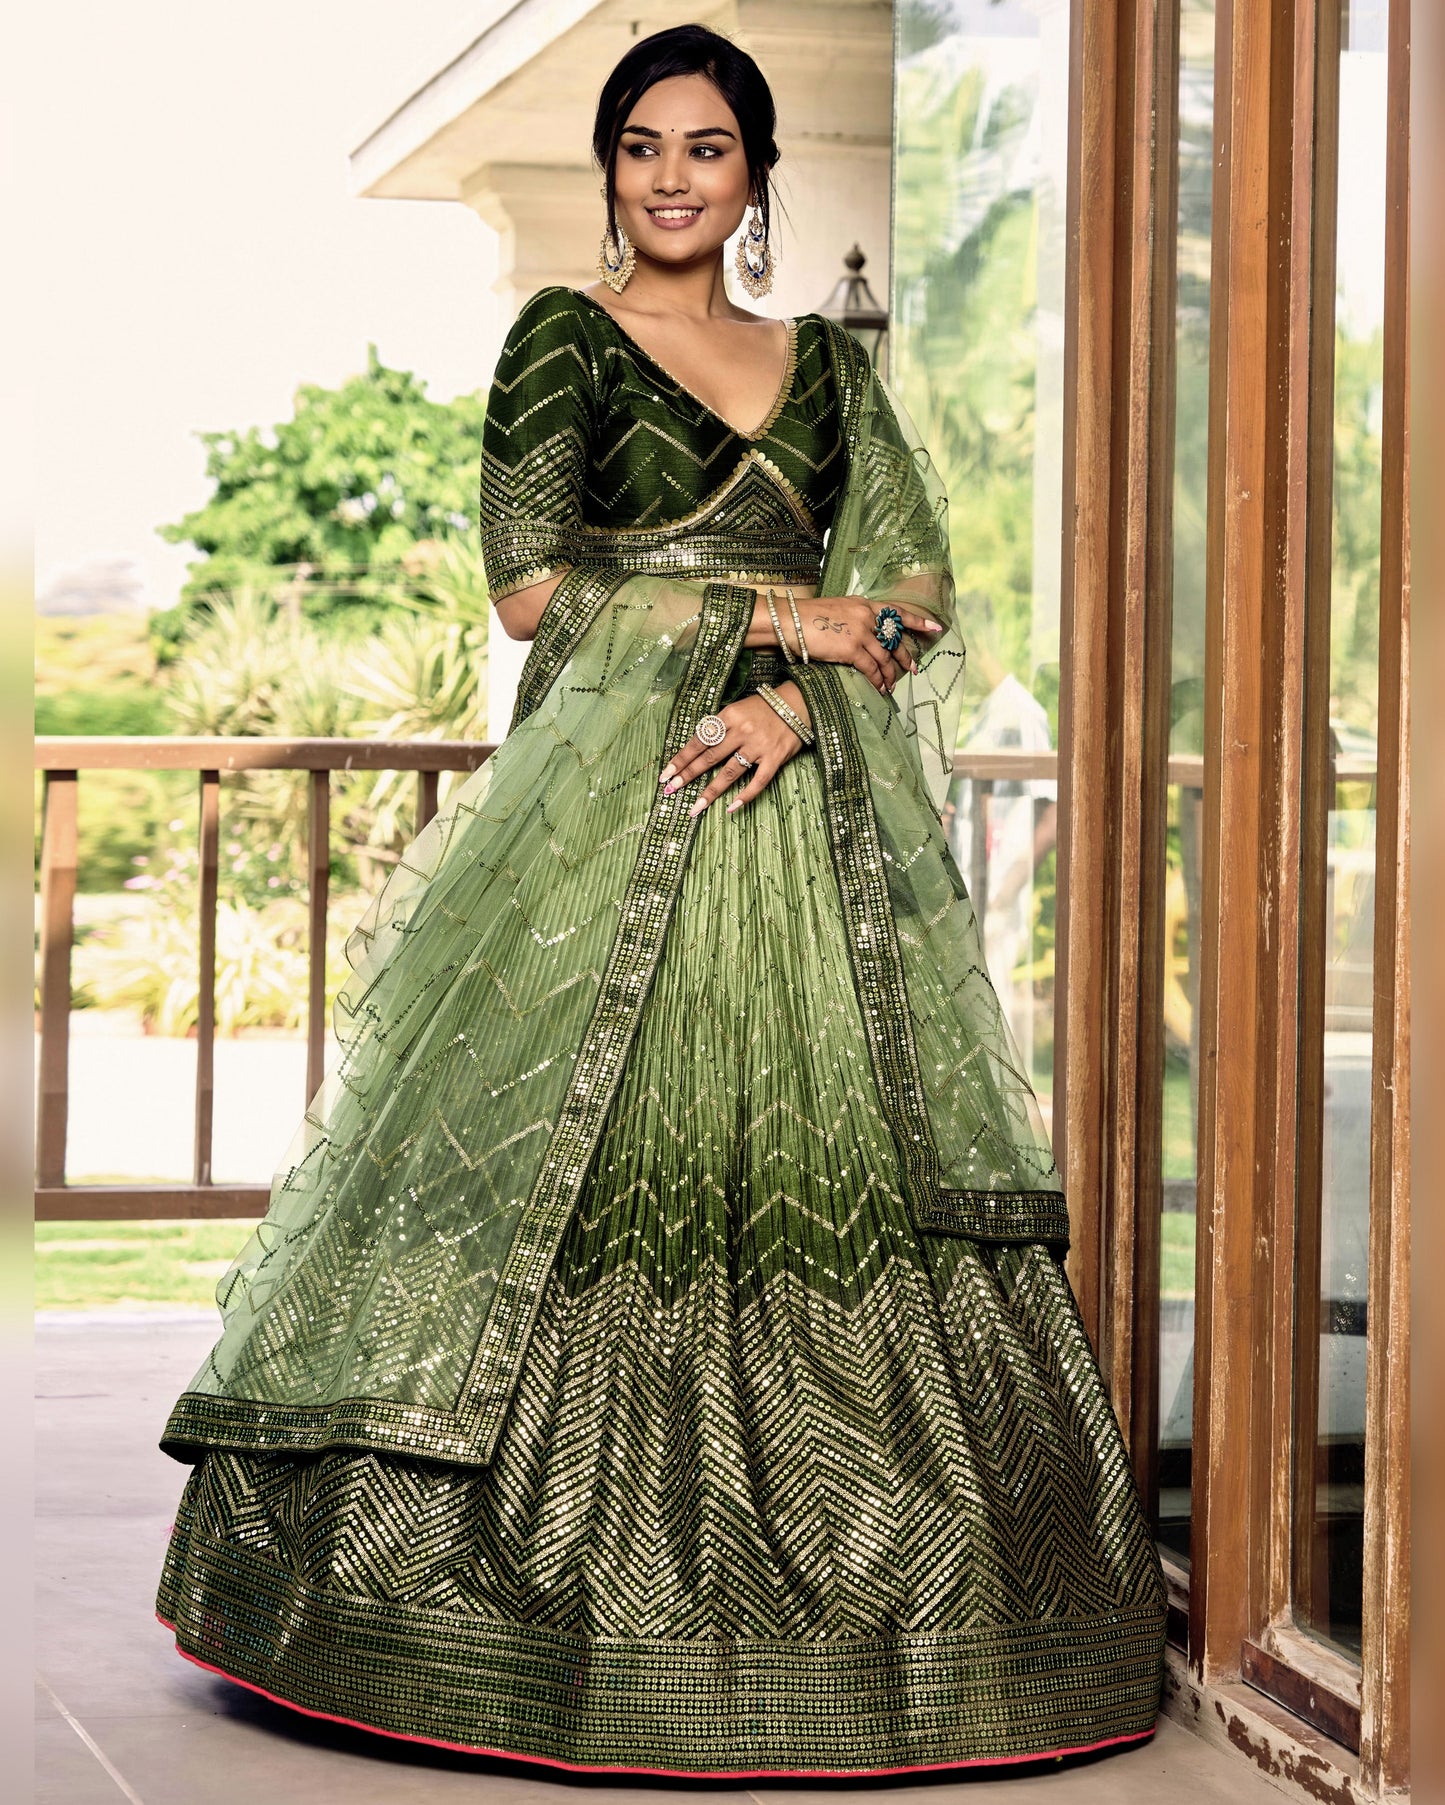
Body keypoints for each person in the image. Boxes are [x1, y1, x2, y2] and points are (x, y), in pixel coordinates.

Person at [155, 22, 1167, 1777]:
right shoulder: (563, 342)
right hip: (608, 823)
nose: (672, 178)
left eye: (707, 149)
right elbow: (536, 595)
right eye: (641, 147)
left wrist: (797, 698)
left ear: (756, 175)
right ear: (615, 168)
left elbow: (911, 589)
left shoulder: (829, 378)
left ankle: (897, 1629)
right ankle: (492, 1625)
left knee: (822, 1174)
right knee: (584, 1154)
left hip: (800, 818)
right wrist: (783, 620)